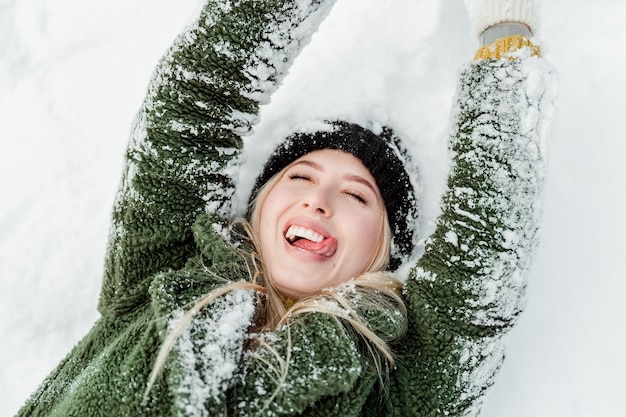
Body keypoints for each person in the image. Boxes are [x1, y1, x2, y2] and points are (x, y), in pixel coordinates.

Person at [16, 0, 555, 416]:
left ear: (385, 251)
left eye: (356, 196)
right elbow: (195, 99)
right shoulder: (160, 273)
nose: (318, 201)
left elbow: (479, 263)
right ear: (258, 211)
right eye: (299, 176)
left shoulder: (393, 386)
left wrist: (506, 34)